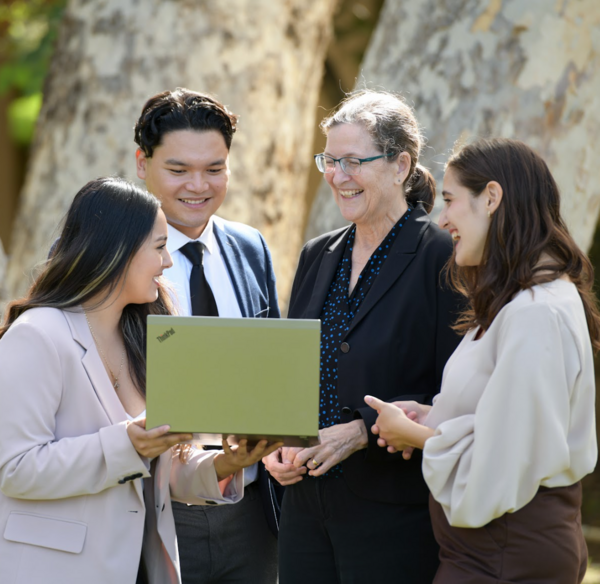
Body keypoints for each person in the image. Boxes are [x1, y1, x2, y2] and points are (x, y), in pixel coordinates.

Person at [0, 177, 277, 584]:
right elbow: (14, 467)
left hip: (143, 567)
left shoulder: (147, 336)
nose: (168, 263)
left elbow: (155, 470)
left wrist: (226, 462)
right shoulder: (37, 335)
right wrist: (126, 444)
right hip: (58, 570)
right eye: (160, 247)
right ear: (118, 251)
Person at [366, 138, 599, 583]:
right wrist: (435, 415)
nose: (443, 218)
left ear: (491, 198)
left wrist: (414, 435)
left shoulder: (535, 312)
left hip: (505, 555)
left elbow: (500, 463)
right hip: (496, 552)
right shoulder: (523, 303)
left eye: (451, 200)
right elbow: (509, 422)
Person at [263, 89, 463, 583]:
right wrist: (278, 443)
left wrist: (361, 432)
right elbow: (294, 373)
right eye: (329, 161)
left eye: (352, 161)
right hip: (305, 506)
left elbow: (459, 392)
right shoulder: (317, 253)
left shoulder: (444, 257)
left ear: (400, 166)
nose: (336, 176)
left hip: (395, 512)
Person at [134, 88, 282, 584]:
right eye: (178, 170)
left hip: (252, 511)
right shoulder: (110, 256)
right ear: (142, 163)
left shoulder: (250, 246)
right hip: (154, 509)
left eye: (214, 169)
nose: (198, 186)